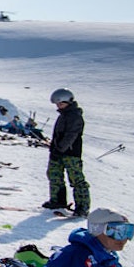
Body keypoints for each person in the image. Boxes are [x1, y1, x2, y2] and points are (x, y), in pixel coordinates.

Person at [46, 88, 89, 217]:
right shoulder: (63, 115)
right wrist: (53, 148)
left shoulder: (75, 116)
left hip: (71, 153)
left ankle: (82, 206)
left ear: (68, 102)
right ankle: (57, 201)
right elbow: (58, 135)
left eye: (61, 103)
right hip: (58, 151)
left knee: (76, 179)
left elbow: (71, 135)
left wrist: (60, 149)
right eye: (57, 104)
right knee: (54, 175)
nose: (59, 106)